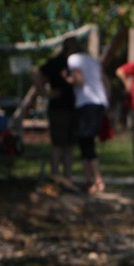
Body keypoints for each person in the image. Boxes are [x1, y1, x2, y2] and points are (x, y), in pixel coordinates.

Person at [32, 37, 78, 179]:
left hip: (74, 107)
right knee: (58, 144)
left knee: (70, 145)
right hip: (58, 108)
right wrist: (44, 93)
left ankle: (68, 177)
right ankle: (55, 177)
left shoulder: (76, 63)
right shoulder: (57, 62)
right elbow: (36, 73)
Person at [65, 45, 108, 193]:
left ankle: (98, 180)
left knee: (87, 142)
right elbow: (105, 82)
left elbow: (79, 80)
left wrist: (66, 78)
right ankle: (88, 180)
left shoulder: (73, 59)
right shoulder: (94, 61)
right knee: (85, 141)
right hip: (99, 102)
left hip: (86, 102)